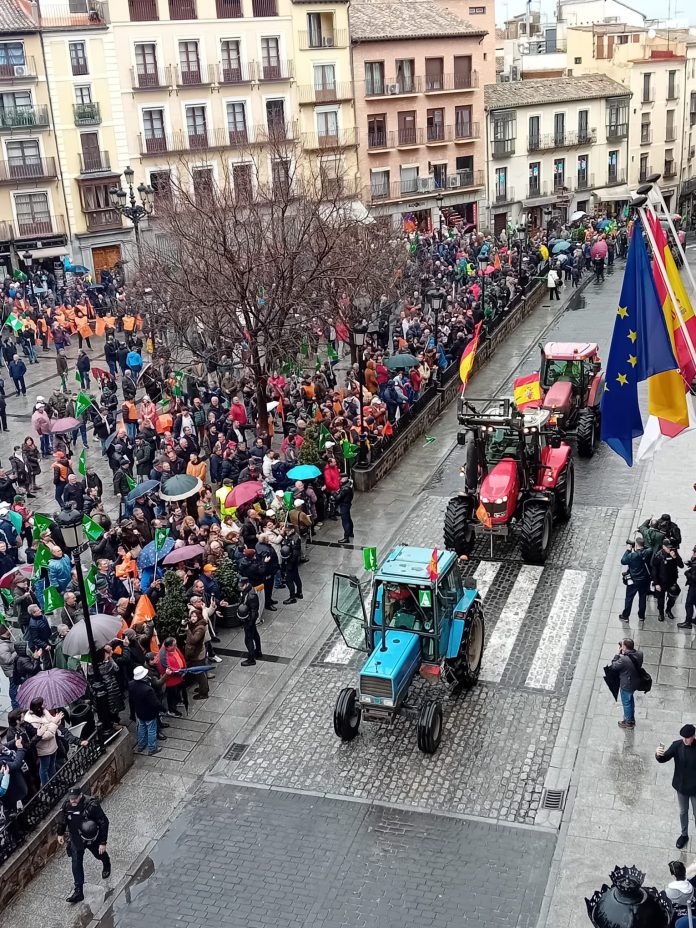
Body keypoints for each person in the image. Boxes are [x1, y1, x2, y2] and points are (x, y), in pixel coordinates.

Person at [56, 785, 111, 904]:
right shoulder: (67, 805)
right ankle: (78, 891)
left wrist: (103, 842)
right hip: (76, 838)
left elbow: (103, 822)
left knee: (99, 854)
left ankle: (106, 863)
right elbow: (62, 820)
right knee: (76, 863)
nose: (73, 801)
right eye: (71, 798)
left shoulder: (91, 805)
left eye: (75, 798)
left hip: (91, 837)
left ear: (80, 795)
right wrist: (60, 834)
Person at [656, 724, 696, 849]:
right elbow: (664, 758)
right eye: (683, 737)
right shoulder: (677, 745)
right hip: (681, 787)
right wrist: (658, 754)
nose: (685, 740)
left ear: (694, 736)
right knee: (683, 812)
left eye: (687, 738)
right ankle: (684, 835)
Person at [23, 697, 62, 785]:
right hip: (44, 748)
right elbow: (44, 736)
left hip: (52, 744)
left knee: (52, 764)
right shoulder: (32, 722)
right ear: (38, 707)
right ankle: (46, 786)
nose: (45, 705)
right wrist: (54, 724)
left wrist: (56, 720)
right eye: (43, 704)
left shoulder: (44, 712)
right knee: (44, 768)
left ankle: (54, 781)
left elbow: (51, 722)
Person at [128, 665, 162, 756]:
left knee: (141, 728)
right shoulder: (148, 689)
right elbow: (155, 703)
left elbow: (131, 698)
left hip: (139, 711)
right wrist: (163, 709)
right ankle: (152, 748)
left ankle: (141, 745)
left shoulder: (131, 684)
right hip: (149, 713)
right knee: (151, 730)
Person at [610, 637, 644, 730]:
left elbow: (613, 666)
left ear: (624, 647)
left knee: (626, 702)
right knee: (630, 700)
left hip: (627, 684)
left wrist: (618, 654)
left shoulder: (624, 660)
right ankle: (630, 718)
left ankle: (628, 722)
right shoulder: (639, 654)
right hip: (636, 681)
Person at [619, 536, 652, 622]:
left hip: (633, 580)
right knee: (642, 598)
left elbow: (623, 561)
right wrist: (640, 546)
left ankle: (625, 616)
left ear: (636, 545)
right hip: (644, 580)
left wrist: (628, 549)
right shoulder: (648, 552)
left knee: (629, 598)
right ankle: (641, 616)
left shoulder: (632, 555)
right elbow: (649, 548)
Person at [652, 537, 683, 621]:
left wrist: (675, 557)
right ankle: (661, 613)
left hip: (671, 581)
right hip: (661, 581)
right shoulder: (658, 556)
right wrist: (656, 583)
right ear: (663, 547)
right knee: (660, 600)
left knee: (672, 597)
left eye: (670, 547)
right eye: (668, 547)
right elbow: (654, 570)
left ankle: (668, 610)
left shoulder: (674, 553)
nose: (669, 549)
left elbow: (681, 565)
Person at [237, 578, 261, 667]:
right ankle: (258, 651)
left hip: (249, 619)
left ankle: (251, 659)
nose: (240, 588)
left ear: (246, 584)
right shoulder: (248, 591)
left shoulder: (251, 595)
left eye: (242, 586)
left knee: (248, 639)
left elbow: (254, 610)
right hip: (249, 618)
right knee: (255, 635)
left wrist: (250, 623)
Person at [680, 545, 696, 630]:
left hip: (694, 587)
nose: (693, 553)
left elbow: (694, 578)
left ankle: (688, 622)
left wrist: (687, 573)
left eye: (695, 552)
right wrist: (691, 563)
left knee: (689, 604)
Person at [335, 476, 354, 543]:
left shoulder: (345, 488)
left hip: (344, 505)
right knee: (348, 519)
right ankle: (351, 533)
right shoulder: (349, 485)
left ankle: (346, 537)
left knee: (345, 521)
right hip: (347, 504)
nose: (339, 480)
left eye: (341, 479)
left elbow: (337, 498)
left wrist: (335, 493)